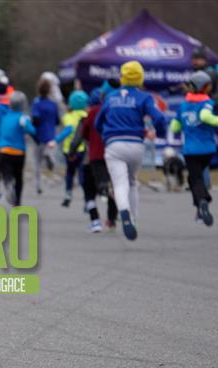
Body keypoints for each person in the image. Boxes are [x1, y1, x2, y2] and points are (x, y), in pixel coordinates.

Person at [96, 61, 166, 241]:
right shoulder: (145, 98)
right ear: (140, 78)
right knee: (132, 182)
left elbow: (98, 123)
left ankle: (124, 212)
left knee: (119, 184)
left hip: (114, 145)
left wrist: (105, 136)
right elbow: (159, 118)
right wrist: (161, 133)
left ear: (122, 77)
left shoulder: (110, 97)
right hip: (136, 145)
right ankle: (133, 220)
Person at [170, 71, 218, 226]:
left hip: (190, 151)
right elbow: (205, 116)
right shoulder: (207, 102)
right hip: (207, 150)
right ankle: (200, 209)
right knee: (196, 177)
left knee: (195, 179)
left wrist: (182, 123)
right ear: (205, 87)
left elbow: (175, 127)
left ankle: (203, 201)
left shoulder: (183, 105)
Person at [81, 85, 118, 232]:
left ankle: (95, 221)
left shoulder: (91, 113)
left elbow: (83, 133)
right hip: (113, 153)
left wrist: (72, 151)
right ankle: (112, 220)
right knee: (113, 188)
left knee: (89, 191)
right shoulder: (112, 111)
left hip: (94, 155)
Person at [0, 91, 36, 206]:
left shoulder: (4, 117)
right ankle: (17, 202)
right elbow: (32, 130)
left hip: (3, 151)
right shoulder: (22, 118)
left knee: (6, 174)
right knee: (18, 177)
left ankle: (8, 184)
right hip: (18, 152)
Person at [55, 90, 89, 207]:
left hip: (69, 150)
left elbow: (68, 129)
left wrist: (56, 140)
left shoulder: (68, 116)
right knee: (82, 175)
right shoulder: (86, 116)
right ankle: (87, 199)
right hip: (82, 149)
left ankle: (68, 194)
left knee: (69, 172)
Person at [31, 78, 59, 194]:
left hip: (39, 136)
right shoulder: (53, 105)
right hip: (51, 136)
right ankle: (49, 159)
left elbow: (35, 119)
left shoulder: (36, 104)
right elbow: (57, 121)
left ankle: (38, 185)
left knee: (37, 162)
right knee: (50, 155)